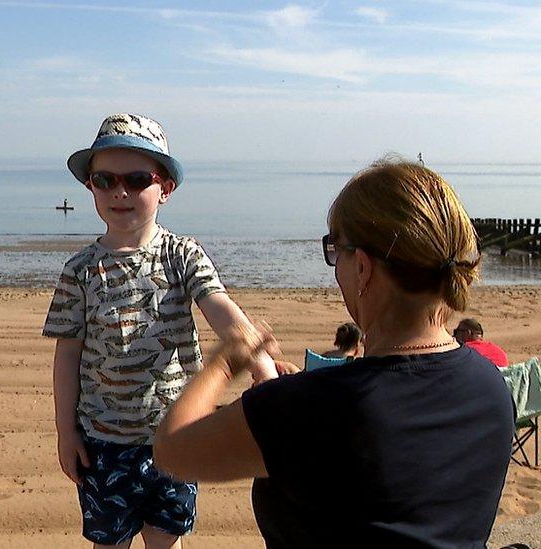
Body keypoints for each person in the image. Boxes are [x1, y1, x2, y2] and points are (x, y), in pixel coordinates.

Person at [154, 158, 515, 547]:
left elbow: (173, 449)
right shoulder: (490, 387)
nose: (335, 267)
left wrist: (226, 363)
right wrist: (295, 397)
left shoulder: (317, 406)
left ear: (363, 268)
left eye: (335, 250)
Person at [43, 113, 282, 549]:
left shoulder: (183, 255)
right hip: (103, 440)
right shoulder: (79, 271)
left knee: (165, 539)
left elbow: (220, 308)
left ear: (165, 188)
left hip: (177, 436)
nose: (120, 192)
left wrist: (261, 366)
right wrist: (66, 431)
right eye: (104, 179)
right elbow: (68, 355)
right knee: (109, 542)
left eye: (137, 179)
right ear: (90, 186)